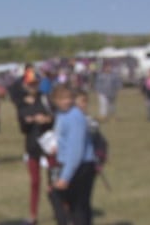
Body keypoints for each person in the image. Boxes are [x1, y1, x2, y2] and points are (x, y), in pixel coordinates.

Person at [12, 66, 56, 225]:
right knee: (35, 182)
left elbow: (55, 115)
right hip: (32, 145)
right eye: (30, 84)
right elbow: (22, 127)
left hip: (49, 144)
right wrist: (30, 119)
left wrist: (47, 119)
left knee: (54, 179)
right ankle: (33, 215)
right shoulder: (21, 103)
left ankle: (60, 210)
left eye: (35, 83)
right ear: (25, 85)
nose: (33, 87)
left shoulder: (45, 98)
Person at [51, 85, 97, 225]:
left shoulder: (75, 117)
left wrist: (65, 177)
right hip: (69, 163)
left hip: (80, 166)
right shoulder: (61, 114)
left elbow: (76, 150)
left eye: (69, 98)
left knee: (79, 208)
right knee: (72, 206)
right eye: (62, 99)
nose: (66, 101)